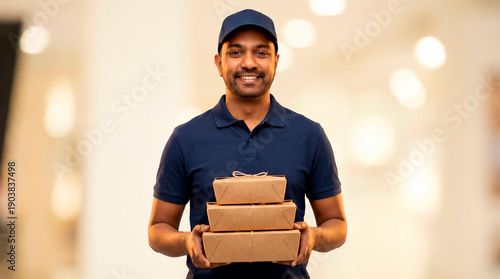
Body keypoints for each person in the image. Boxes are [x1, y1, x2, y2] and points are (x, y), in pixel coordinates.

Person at [148, 9, 347, 279]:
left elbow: (336, 225)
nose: (249, 63)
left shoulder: (309, 135)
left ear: (276, 61)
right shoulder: (186, 139)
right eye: (236, 52)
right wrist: (186, 242)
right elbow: (158, 229)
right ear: (219, 63)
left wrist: (312, 236)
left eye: (261, 53)